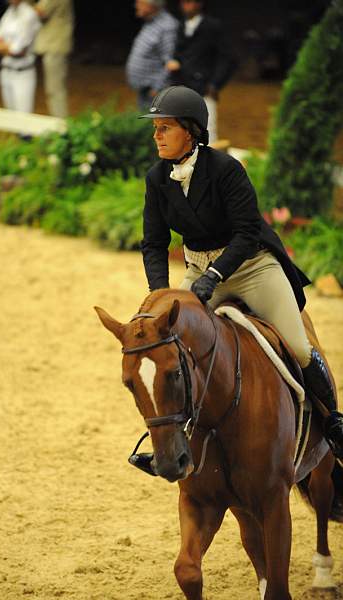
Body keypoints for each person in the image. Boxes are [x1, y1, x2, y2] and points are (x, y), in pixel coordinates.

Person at [139, 85, 343, 459]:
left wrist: (214, 277)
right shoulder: (156, 178)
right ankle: (168, 439)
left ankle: (334, 423)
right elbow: (153, 243)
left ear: (191, 130)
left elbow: (248, 232)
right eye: (156, 128)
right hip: (199, 270)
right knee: (169, 346)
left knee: (298, 347)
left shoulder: (226, 169)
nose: (157, 136)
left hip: (252, 267)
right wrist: (160, 294)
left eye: (165, 127)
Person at [166, 0, 236, 143]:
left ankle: (209, 164)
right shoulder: (180, 26)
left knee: (207, 131)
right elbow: (179, 53)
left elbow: (228, 57)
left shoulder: (212, 26)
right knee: (182, 131)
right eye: (183, 2)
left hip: (204, 87)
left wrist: (215, 83)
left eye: (190, 2)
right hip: (181, 87)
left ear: (199, 4)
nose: (186, 5)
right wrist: (175, 62)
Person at [0, 0, 41, 115]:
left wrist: (3, 46)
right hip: (6, 71)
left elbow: (18, 50)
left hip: (23, 72)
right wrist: (8, 47)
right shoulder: (9, 12)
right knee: (10, 117)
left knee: (23, 119)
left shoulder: (29, 14)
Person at [126, 0, 178, 110]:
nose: (136, 5)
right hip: (145, 90)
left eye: (140, 2)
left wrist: (158, 88)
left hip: (156, 93)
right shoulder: (151, 22)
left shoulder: (167, 26)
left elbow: (171, 62)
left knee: (157, 125)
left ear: (152, 6)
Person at [33, 0, 74, 119]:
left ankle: (61, 128)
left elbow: (40, 12)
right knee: (54, 90)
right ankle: (58, 125)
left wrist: (25, 3)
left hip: (55, 46)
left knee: (55, 90)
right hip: (54, 46)